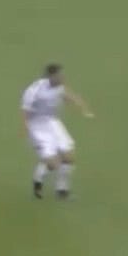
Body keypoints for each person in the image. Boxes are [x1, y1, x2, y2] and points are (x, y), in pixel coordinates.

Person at [20, 62, 95, 199]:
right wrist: (26, 128)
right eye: (59, 75)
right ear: (50, 76)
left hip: (53, 123)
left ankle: (62, 190)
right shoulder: (35, 90)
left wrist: (82, 107)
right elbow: (25, 109)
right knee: (54, 164)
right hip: (38, 126)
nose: (62, 77)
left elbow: (67, 96)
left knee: (69, 158)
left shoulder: (59, 86)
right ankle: (38, 177)